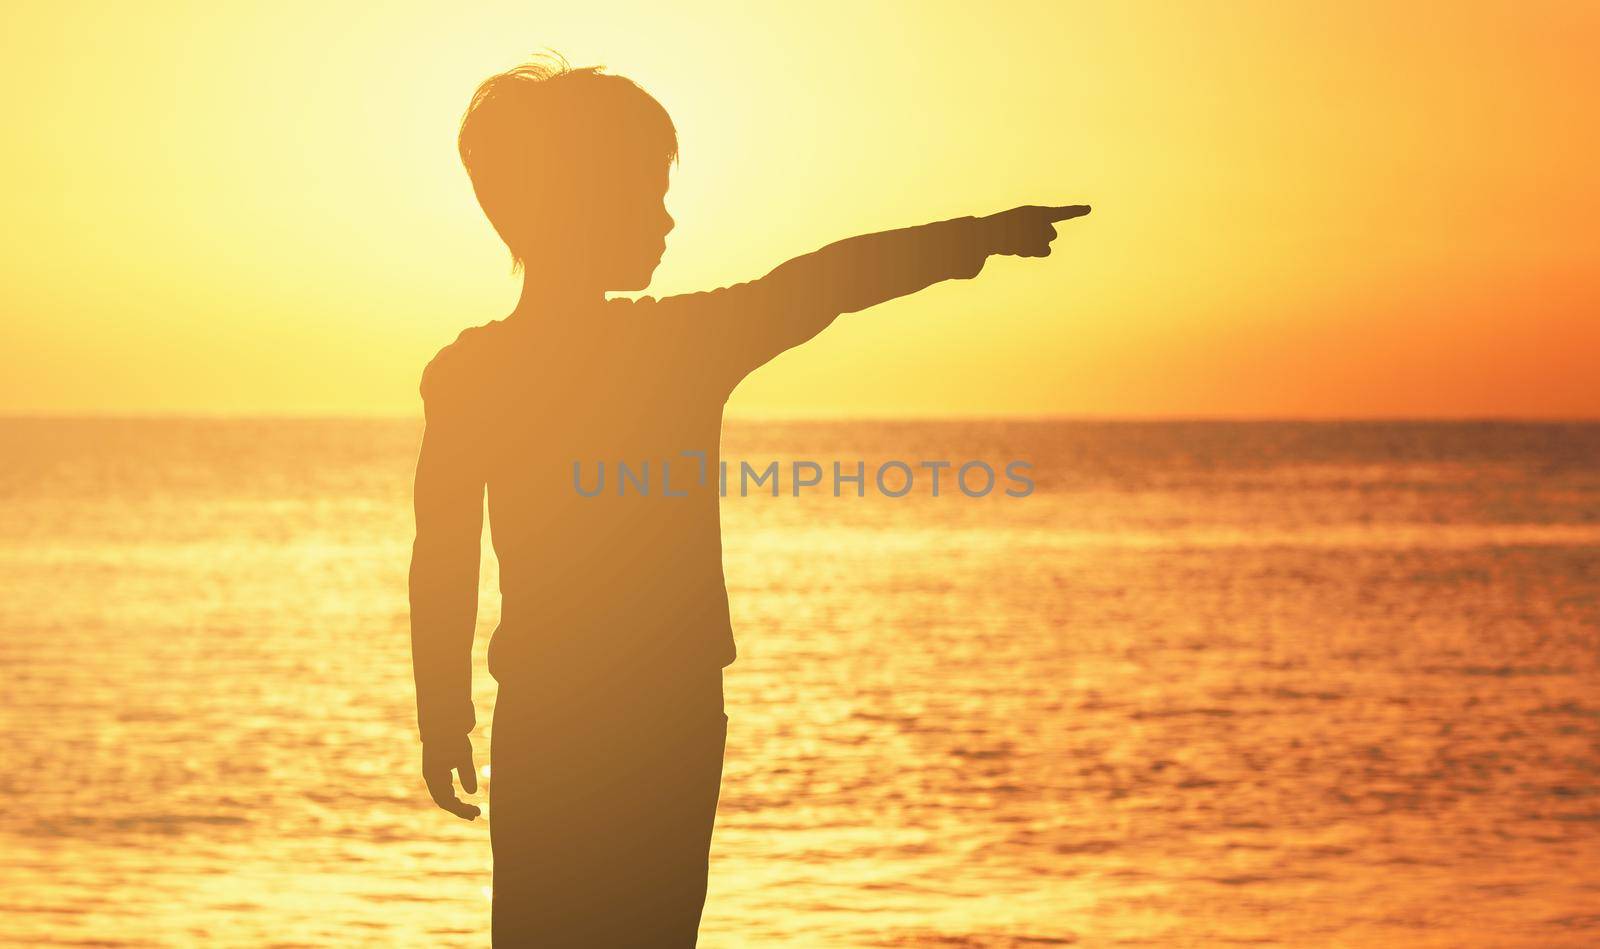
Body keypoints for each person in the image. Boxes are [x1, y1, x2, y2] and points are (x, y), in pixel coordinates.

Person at [408, 53, 1090, 946]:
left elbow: (442, 557)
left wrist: (443, 714)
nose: (665, 217)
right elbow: (825, 282)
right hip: (645, 715)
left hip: (586, 711)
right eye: (645, 194)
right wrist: (976, 236)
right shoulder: (672, 345)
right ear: (579, 203)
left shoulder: (477, 371)